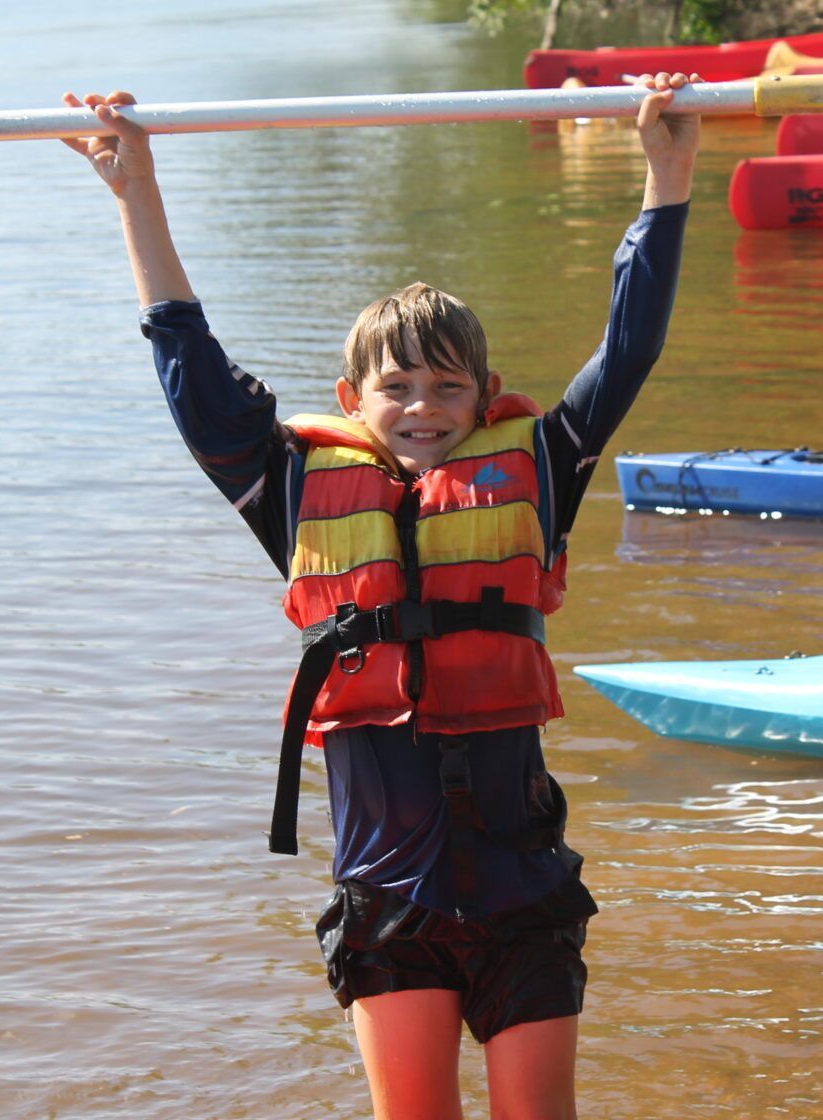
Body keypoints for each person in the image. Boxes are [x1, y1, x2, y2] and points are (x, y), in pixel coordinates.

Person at [63, 72, 699, 1119]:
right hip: (391, 897)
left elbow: (628, 351)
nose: (423, 407)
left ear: (485, 400)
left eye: (448, 387)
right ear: (354, 400)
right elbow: (191, 373)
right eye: (398, 387)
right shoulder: (294, 488)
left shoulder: (539, 463)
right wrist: (139, 197)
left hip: (521, 889)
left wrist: (664, 180)